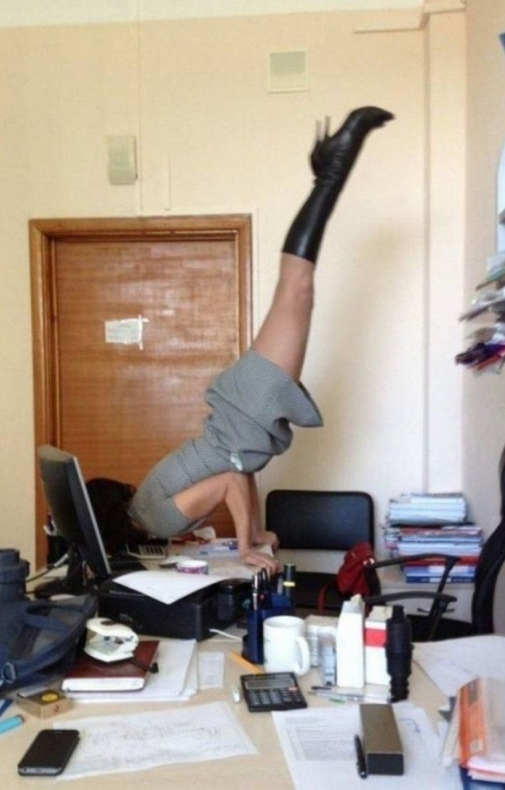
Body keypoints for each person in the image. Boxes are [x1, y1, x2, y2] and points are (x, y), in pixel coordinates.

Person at [128, 106, 394, 573]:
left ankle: (331, 169)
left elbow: (231, 475)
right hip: (240, 419)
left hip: (245, 411)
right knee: (298, 291)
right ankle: (328, 170)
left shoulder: (161, 519)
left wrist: (245, 548)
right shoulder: (146, 509)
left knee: (297, 287)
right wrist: (253, 536)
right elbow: (239, 469)